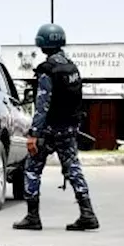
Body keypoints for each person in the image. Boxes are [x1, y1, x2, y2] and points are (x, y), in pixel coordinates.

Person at [13, 23, 98, 232]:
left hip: (50, 130)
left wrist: (34, 134)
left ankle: (33, 216)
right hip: (69, 128)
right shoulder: (72, 68)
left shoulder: (47, 71)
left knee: (32, 168)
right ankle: (87, 213)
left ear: (42, 43)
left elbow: (42, 106)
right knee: (73, 168)